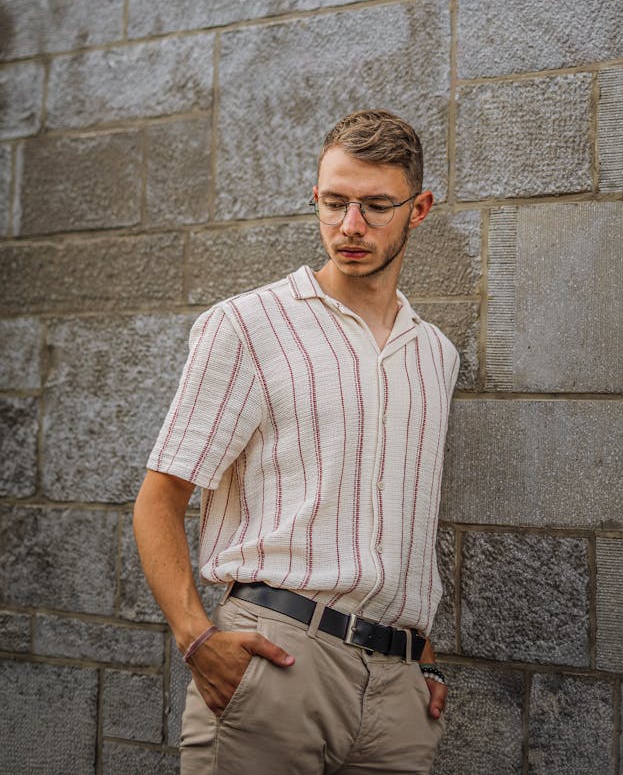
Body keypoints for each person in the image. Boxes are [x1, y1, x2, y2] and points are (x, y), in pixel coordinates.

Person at [134, 109, 460, 775]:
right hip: (277, 659)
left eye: (376, 206)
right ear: (315, 196)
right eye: (335, 202)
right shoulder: (248, 326)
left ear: (418, 208)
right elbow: (158, 501)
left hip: (399, 692)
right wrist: (198, 639)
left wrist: (421, 657)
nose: (350, 226)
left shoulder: (436, 354)